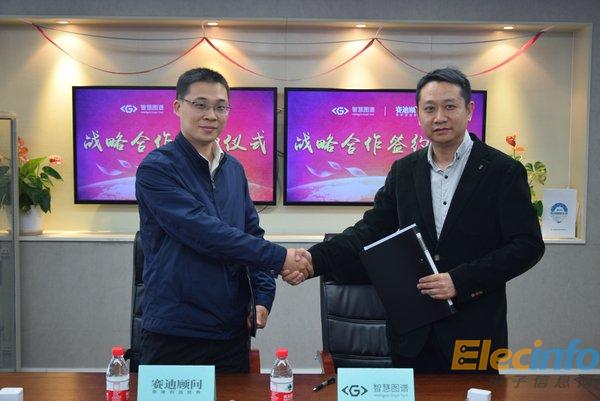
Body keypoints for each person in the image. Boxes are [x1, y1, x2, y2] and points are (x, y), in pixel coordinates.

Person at [290, 67, 545, 373]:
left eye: (450, 106)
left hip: (474, 332)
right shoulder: (404, 171)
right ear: (418, 115)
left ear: (469, 110)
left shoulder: (501, 171)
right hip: (413, 337)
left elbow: (527, 245)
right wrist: (312, 260)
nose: (440, 117)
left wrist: (460, 281)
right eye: (430, 108)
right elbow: (368, 231)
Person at [135, 67, 311, 372]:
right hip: (176, 332)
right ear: (178, 106)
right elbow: (206, 234)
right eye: (200, 105)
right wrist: (282, 258)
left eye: (220, 107)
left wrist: (263, 296)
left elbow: (250, 234)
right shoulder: (157, 168)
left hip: (231, 331)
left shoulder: (233, 170)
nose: (211, 115)